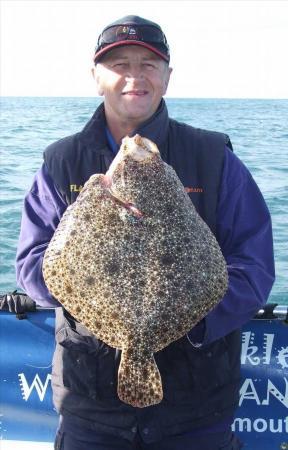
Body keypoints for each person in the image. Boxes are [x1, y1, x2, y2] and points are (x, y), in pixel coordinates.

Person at [15, 15, 275, 450]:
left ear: (168, 78)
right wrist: (98, 305)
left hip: (197, 409)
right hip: (90, 407)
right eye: (119, 64)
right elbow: (30, 265)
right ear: (96, 77)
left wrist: (186, 319)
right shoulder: (61, 163)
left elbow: (254, 266)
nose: (134, 76)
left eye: (148, 65)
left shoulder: (214, 158)